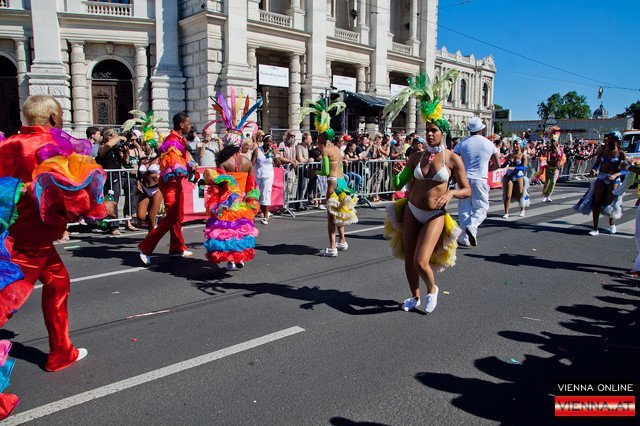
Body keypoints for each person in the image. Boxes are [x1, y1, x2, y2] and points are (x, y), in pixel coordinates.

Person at [0, 95, 106, 371]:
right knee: (6, 298)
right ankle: (60, 352)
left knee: (58, 283)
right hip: (30, 237)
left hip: (11, 231)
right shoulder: (52, 147)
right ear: (52, 117)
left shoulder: (7, 144)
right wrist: (93, 206)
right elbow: (72, 197)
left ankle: (61, 351)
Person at [382, 70, 470, 313]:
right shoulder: (416, 156)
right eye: (427, 130)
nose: (429, 134)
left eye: (434, 130)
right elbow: (397, 185)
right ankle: (414, 296)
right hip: (412, 210)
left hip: (435, 215)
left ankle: (432, 289)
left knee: (421, 260)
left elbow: (466, 190)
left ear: (443, 132)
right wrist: (395, 173)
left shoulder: (452, 159)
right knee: (409, 258)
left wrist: (450, 194)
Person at [298, 96, 356, 256]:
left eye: (318, 137)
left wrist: (314, 172)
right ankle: (342, 241)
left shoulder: (325, 150)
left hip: (332, 181)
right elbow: (341, 166)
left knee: (331, 216)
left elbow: (325, 171)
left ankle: (332, 247)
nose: (317, 139)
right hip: (342, 181)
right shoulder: (337, 149)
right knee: (339, 212)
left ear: (322, 138)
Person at [138, 113, 196, 265]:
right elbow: (174, 163)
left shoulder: (180, 140)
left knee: (178, 216)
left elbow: (184, 160)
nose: (190, 126)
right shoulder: (172, 140)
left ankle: (176, 248)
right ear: (181, 125)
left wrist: (191, 165)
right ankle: (145, 247)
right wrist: (189, 168)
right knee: (170, 217)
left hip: (176, 182)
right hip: (170, 183)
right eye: (188, 123)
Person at [453, 116, 501, 246]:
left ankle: (465, 237)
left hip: (464, 178)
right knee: (481, 207)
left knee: (464, 208)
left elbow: (454, 160)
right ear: (481, 129)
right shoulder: (489, 144)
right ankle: (473, 226)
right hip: (480, 178)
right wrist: (487, 169)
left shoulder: (462, 143)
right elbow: (497, 164)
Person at [574, 130, 627, 236]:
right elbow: (597, 163)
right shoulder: (602, 151)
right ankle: (595, 229)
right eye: (609, 138)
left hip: (614, 180)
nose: (609, 140)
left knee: (610, 203)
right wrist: (594, 169)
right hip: (601, 177)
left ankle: (612, 223)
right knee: (596, 202)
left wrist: (615, 175)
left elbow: (625, 170)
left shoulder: (621, 154)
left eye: (612, 138)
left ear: (617, 140)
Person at [97, 128, 128, 236]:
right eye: (114, 136)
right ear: (107, 137)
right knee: (106, 202)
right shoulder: (103, 148)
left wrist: (125, 152)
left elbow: (126, 161)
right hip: (105, 179)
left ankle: (114, 226)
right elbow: (108, 145)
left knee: (114, 201)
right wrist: (119, 137)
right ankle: (107, 224)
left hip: (116, 178)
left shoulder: (116, 150)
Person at [252, 134, 281, 224]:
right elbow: (252, 163)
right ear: (263, 142)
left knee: (266, 194)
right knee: (256, 195)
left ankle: (265, 216)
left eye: (270, 141)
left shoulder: (273, 151)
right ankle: (254, 214)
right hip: (258, 175)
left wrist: (275, 155)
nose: (269, 143)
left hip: (268, 176)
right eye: (267, 141)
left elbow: (278, 164)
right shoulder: (257, 150)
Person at [501, 140, 529, 218]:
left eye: (517, 144)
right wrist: (496, 165)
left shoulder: (523, 155)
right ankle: (506, 213)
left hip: (518, 176)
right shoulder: (510, 155)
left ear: (521, 145)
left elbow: (524, 167)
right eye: (514, 143)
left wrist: (515, 167)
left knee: (520, 194)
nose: (515, 145)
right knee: (507, 195)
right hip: (509, 175)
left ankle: (522, 209)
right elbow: (504, 165)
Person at [542, 126, 564, 202]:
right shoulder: (549, 150)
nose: (554, 143)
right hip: (549, 167)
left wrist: (559, 163)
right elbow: (548, 160)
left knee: (553, 182)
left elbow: (562, 158)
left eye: (555, 142)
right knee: (547, 181)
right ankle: (545, 194)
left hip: (555, 168)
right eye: (553, 142)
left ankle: (549, 195)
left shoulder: (560, 150)